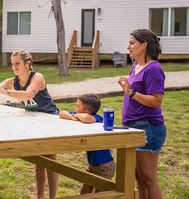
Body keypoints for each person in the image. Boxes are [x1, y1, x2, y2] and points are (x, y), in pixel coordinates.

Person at [0, 50, 60, 199]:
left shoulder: (37, 77)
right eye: (12, 64)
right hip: (34, 119)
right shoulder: (13, 81)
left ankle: (52, 197)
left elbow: (29, 94)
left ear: (28, 63)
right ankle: (40, 197)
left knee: (50, 159)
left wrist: (4, 92)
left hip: (49, 119)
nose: (14, 66)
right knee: (39, 160)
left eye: (17, 63)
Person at [117, 29, 166, 199]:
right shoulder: (135, 66)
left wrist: (131, 93)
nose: (128, 47)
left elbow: (156, 100)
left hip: (148, 128)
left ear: (144, 45)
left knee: (148, 178)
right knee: (138, 178)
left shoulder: (153, 69)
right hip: (132, 126)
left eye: (132, 43)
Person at [59, 94, 115, 194]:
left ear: (87, 111)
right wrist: (73, 117)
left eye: (77, 106)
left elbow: (86, 118)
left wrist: (73, 117)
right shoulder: (78, 115)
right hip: (93, 165)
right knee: (84, 192)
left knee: (101, 194)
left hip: (104, 165)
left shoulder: (97, 118)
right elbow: (62, 113)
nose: (75, 108)